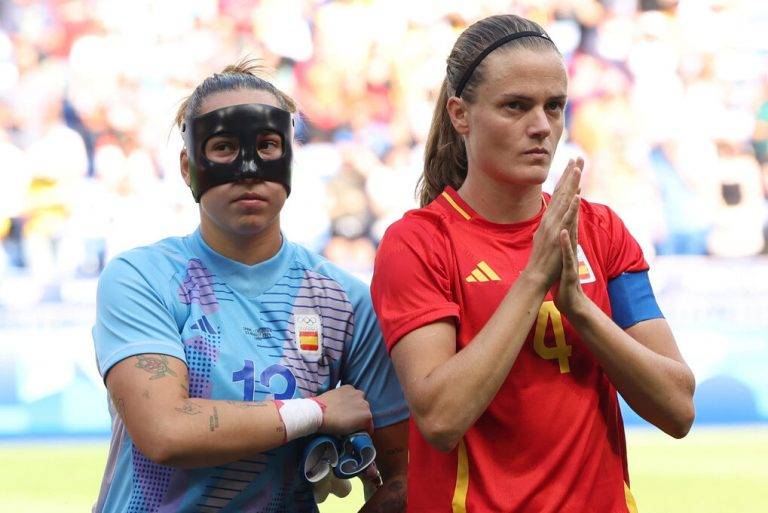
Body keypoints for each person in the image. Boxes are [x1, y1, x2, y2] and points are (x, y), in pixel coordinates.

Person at [370, 14, 695, 513]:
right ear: (460, 115)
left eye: (554, 106)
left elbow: (677, 408)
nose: (541, 126)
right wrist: (533, 280)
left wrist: (581, 310)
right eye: (515, 106)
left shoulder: (603, 230)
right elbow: (440, 417)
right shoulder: (417, 243)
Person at [92, 60, 408, 513]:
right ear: (188, 166)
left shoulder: (345, 301)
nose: (248, 169)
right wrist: (317, 412)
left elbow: (405, 471)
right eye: (222, 147)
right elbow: (166, 432)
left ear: (291, 159)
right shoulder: (142, 278)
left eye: (267, 145)